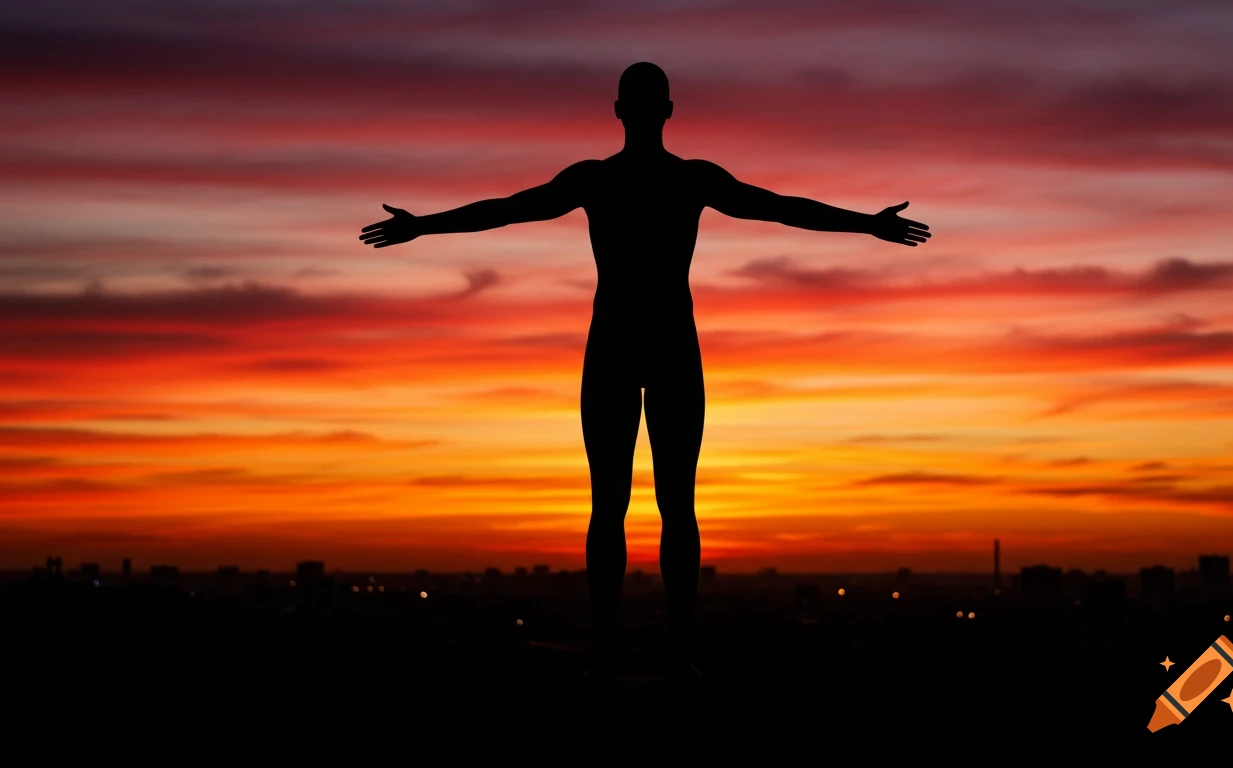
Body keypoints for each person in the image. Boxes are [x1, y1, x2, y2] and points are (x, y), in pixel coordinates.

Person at [360, 62, 931, 678]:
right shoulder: (684, 179)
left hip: (619, 344)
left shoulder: (601, 179)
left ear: (618, 111)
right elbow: (779, 208)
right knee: (670, 503)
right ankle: (671, 644)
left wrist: (422, 226)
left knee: (615, 503)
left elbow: (508, 209)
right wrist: (867, 224)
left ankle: (617, 645)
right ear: (667, 111)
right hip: (665, 344)